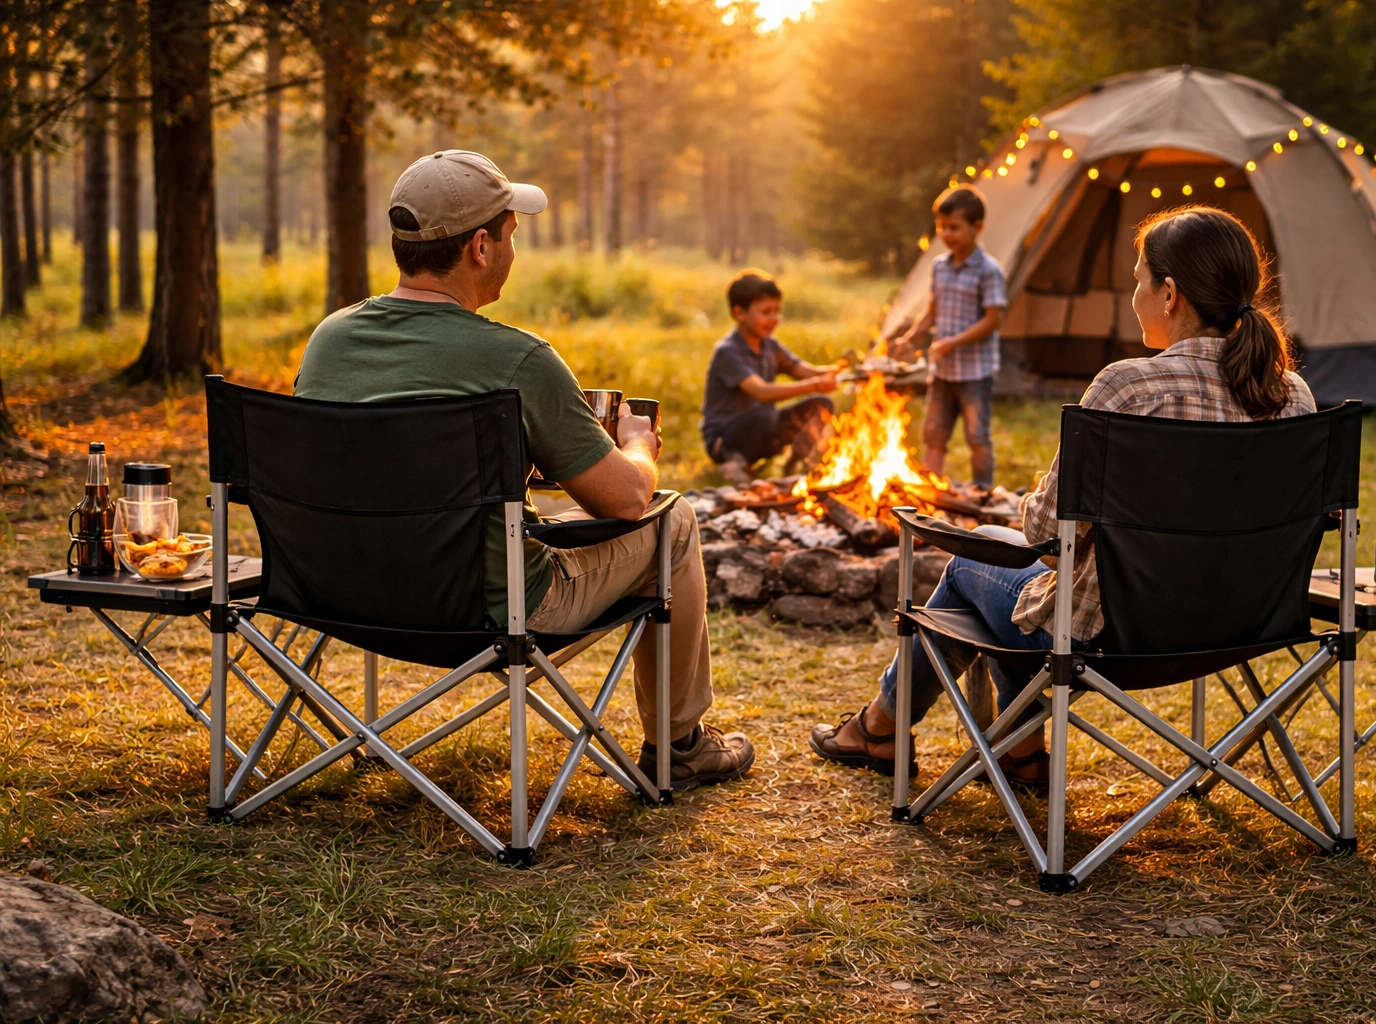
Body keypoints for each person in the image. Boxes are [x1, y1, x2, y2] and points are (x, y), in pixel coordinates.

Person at [294, 149, 753, 791]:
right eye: (512, 233)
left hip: (338, 595)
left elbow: (371, 465)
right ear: (480, 248)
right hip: (487, 610)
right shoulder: (518, 360)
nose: (514, 249)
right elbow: (624, 501)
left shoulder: (329, 339)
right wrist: (636, 447)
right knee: (672, 518)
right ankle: (680, 747)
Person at [811, 205, 1316, 787]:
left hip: (1111, 636)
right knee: (1006, 584)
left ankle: (883, 729)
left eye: (1137, 280)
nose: (1135, 296)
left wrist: (1034, 501)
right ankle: (1016, 750)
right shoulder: (1292, 394)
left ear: (1169, 293)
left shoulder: (1129, 388)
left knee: (975, 560)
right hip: (1247, 624)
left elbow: (1048, 539)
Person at [891, 185, 1008, 498]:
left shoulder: (988, 271)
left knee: (977, 436)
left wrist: (954, 342)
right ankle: (930, 491)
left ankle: (983, 491)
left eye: (954, 227)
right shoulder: (939, 267)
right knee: (934, 434)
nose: (946, 234)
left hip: (975, 372)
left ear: (977, 227)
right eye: (941, 227)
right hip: (942, 371)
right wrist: (910, 337)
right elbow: (932, 311)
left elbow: (992, 319)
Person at [700, 269, 842, 485]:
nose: (774, 319)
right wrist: (814, 384)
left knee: (821, 404)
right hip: (726, 437)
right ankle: (733, 464)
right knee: (765, 413)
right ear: (740, 313)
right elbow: (762, 392)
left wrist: (846, 370)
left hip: (763, 427)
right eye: (766, 312)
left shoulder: (770, 346)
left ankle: (797, 463)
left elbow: (806, 371)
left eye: (777, 311)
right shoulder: (728, 351)